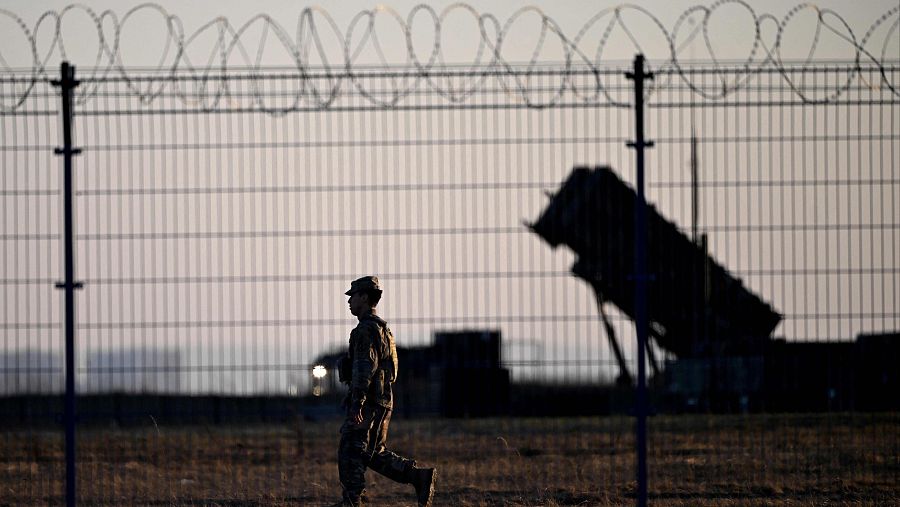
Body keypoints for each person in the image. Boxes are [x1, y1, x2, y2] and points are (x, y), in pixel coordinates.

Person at [333, 276, 436, 507]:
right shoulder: (383, 329)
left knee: (351, 448)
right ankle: (418, 477)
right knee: (372, 452)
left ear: (364, 297)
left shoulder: (365, 330)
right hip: (380, 400)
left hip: (369, 403)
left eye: (353, 296)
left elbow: (364, 369)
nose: (349, 301)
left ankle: (352, 501)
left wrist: (357, 402)